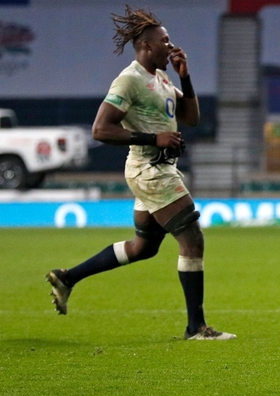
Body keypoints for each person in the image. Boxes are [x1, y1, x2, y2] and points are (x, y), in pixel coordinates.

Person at [45, 6, 235, 340]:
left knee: (143, 248)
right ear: (146, 45)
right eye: (165, 41)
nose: (171, 46)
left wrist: (185, 76)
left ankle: (67, 277)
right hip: (150, 170)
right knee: (192, 239)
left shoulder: (161, 78)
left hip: (158, 168)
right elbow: (100, 129)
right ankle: (197, 327)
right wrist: (153, 138)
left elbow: (191, 118)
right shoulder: (130, 79)